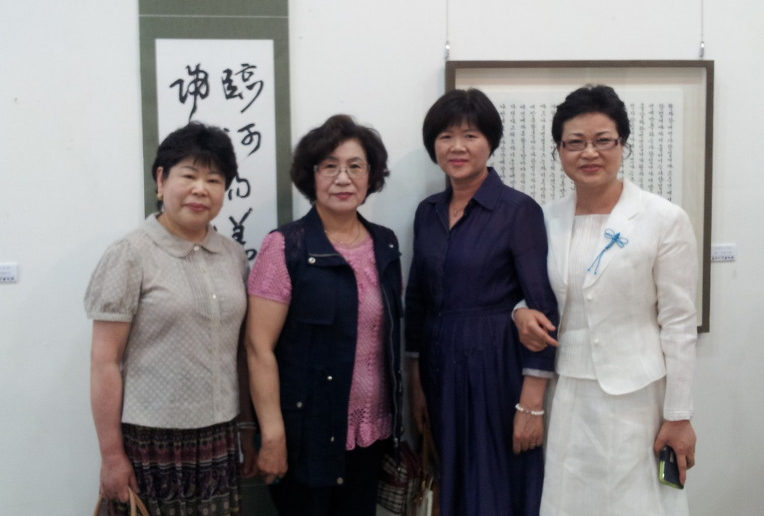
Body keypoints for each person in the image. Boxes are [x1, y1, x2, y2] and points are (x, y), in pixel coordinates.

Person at [514, 84, 698, 515]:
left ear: (622, 144)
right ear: (559, 150)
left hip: (637, 396)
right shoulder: (546, 219)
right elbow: (529, 291)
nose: (589, 153)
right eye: (575, 142)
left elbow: (678, 323)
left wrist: (679, 414)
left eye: (602, 140)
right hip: (566, 392)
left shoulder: (663, 218)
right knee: (568, 500)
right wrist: (519, 312)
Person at [86, 122, 257, 514]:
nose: (201, 189)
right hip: (151, 442)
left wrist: (246, 428)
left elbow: (240, 352)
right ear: (161, 180)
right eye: (189, 175)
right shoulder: (130, 254)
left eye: (214, 180)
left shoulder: (233, 256)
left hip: (219, 437)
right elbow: (104, 361)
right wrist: (111, 456)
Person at [405, 88, 559, 516]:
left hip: (495, 369)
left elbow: (543, 309)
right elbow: (417, 299)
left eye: (470, 135)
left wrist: (531, 404)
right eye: (445, 136)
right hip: (439, 370)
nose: (457, 147)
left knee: (496, 482)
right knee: (449, 479)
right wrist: (416, 384)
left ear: (490, 142)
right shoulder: (427, 212)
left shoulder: (518, 211)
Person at [245, 114, 403, 516]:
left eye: (355, 166)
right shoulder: (286, 246)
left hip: (371, 434)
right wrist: (272, 435)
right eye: (330, 166)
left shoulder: (385, 244)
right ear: (311, 175)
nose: (343, 178)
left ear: (371, 176)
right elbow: (258, 348)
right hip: (306, 436)